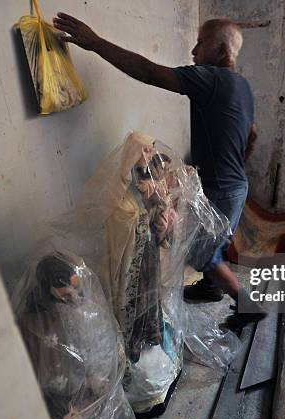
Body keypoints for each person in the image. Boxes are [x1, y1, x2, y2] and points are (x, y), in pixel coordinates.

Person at [53, 13, 265, 325]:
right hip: (236, 183)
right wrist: (233, 162)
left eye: (201, 43)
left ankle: (249, 306)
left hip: (221, 186)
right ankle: (211, 288)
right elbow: (253, 134)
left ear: (220, 51)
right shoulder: (241, 86)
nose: (193, 51)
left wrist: (95, 43)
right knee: (212, 240)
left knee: (200, 253)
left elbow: (149, 72)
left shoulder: (210, 78)